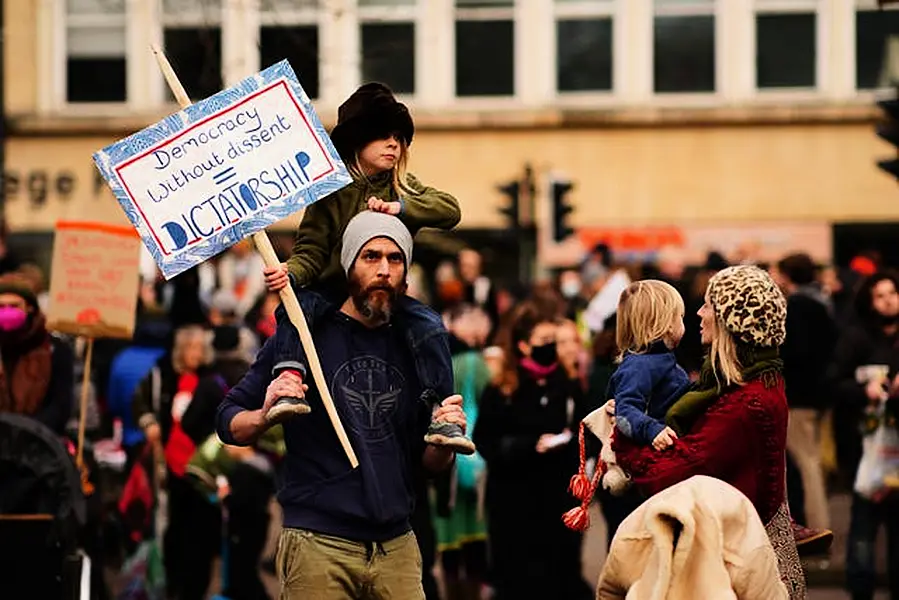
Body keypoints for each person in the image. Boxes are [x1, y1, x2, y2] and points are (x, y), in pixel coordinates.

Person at [215, 212, 468, 599]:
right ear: (349, 263)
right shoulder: (302, 335)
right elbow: (228, 420)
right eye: (371, 257)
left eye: (394, 258)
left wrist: (443, 443)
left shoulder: (419, 345)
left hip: (396, 545)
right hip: (318, 544)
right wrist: (266, 414)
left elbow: (428, 464)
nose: (383, 269)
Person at [611, 265, 807, 598]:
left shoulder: (742, 402)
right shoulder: (739, 383)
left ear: (732, 322)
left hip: (734, 570)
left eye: (708, 306)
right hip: (736, 557)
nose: (699, 314)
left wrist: (624, 439)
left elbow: (666, 478)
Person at [263, 82, 460, 298]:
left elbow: (450, 210)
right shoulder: (330, 189)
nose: (393, 144)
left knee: (430, 329)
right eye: (383, 135)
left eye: (397, 137)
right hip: (333, 298)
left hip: (387, 297)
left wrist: (400, 207)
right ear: (357, 139)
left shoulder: (402, 185)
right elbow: (311, 253)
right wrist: (289, 273)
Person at [0, 272, 73, 435]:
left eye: (14, 306)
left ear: (30, 307)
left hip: (38, 443)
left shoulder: (54, 349)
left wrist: (26, 432)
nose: (6, 312)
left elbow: (60, 406)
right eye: (1, 307)